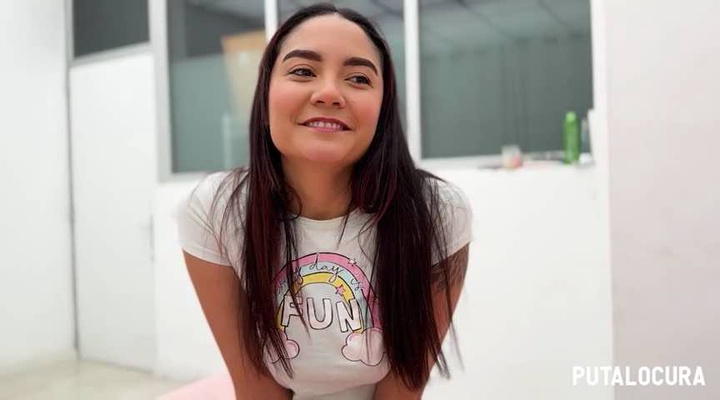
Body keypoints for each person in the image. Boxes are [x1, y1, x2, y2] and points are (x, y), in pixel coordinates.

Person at [176, 3, 473, 399]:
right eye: (303, 71)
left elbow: (403, 388)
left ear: (383, 111)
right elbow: (255, 386)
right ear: (265, 99)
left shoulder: (438, 213)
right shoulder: (215, 211)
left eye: (358, 78)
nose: (329, 93)